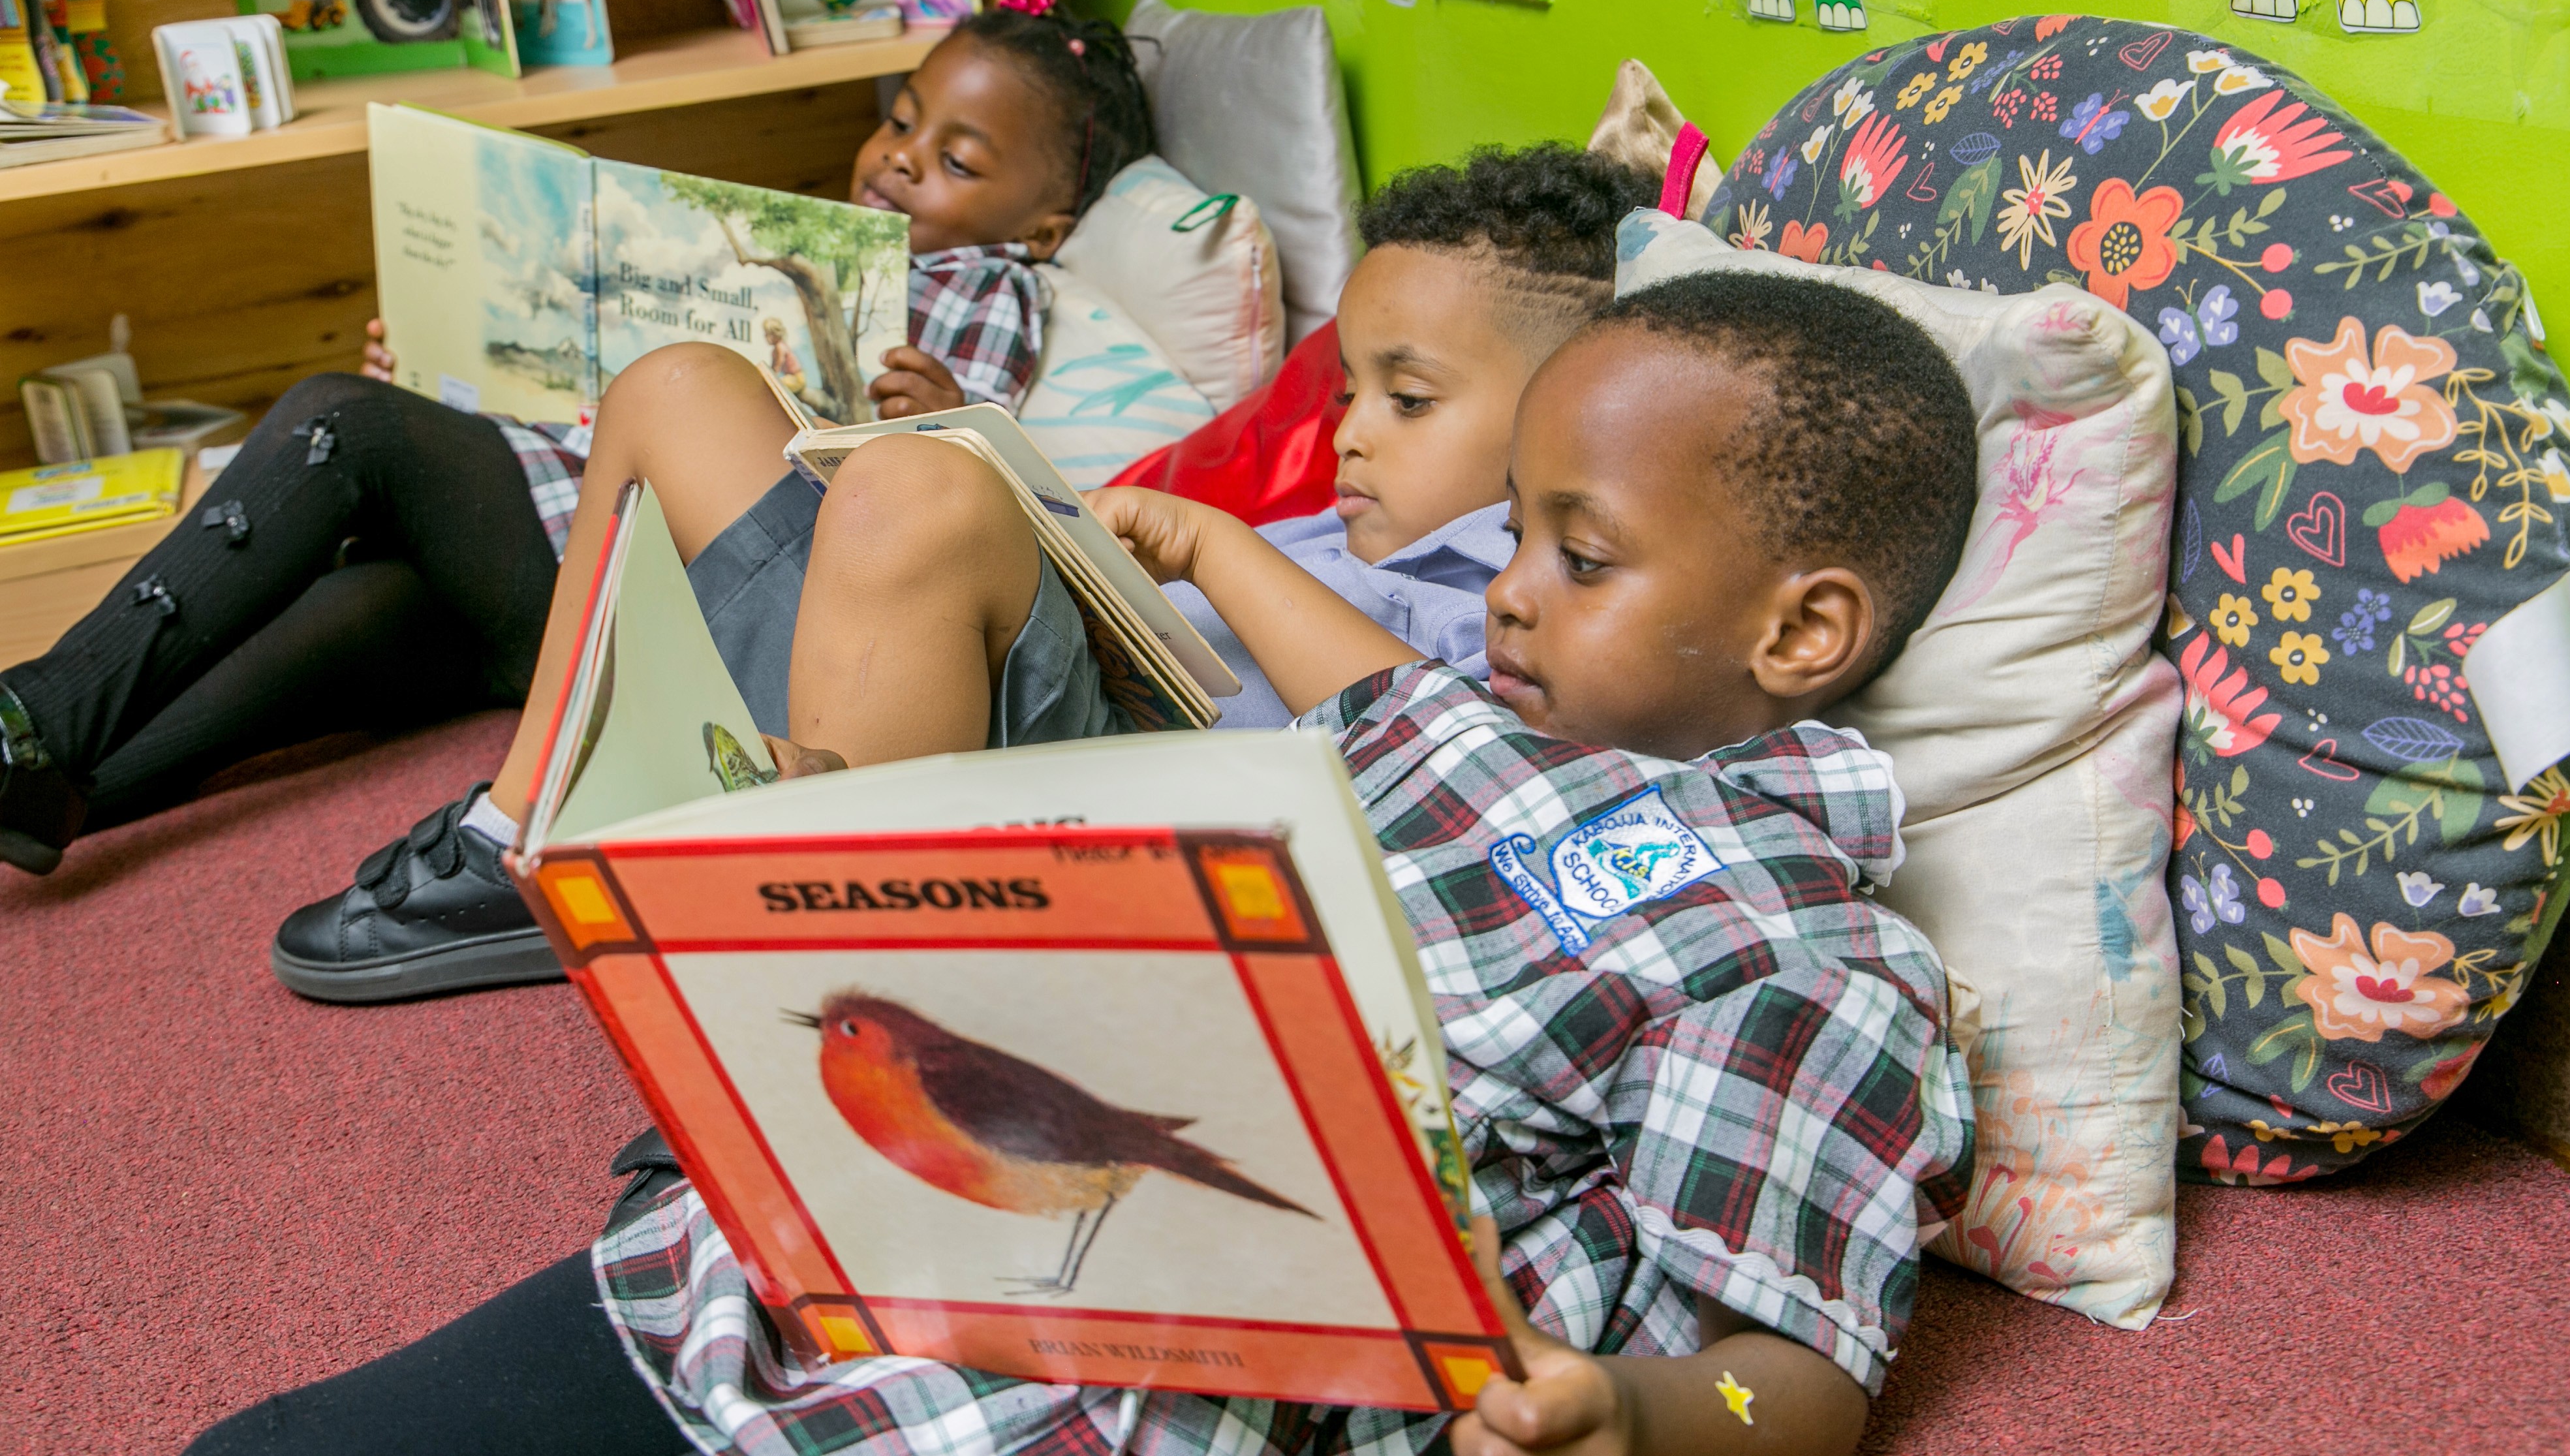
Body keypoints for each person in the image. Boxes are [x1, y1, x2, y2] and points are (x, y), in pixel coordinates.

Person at [125, 268, 1985, 1456]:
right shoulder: (1468, 726)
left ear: (1800, 631)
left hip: (1143, 1410)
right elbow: (1356, 680)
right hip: (843, 1241)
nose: (1504, 587)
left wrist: (1632, 1429)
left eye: (1578, 556)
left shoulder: (1805, 958)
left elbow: (1794, 1373)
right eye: (1513, 531)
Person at [262, 144, 1658, 1001]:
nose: (1348, 432)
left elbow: (1458, 764)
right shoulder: (1338, 526)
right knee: (679, 388)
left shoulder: (1524, 599)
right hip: (957, 703)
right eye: (1347, 390)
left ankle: (834, 990)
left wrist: (1212, 548)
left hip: (1104, 824)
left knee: (918, 490)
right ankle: (528, 830)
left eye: (1407, 401)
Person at [0, 0, 1149, 880]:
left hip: (624, 563)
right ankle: (52, 775)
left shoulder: (984, 284)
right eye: (901, 120)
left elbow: (955, 477)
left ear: (1047, 225)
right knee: (324, 637)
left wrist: (933, 406)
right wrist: (445, 370)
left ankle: (33, 716)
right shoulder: (810, 238)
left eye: (957, 160)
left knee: (338, 424)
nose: (901, 156)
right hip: (554, 556)